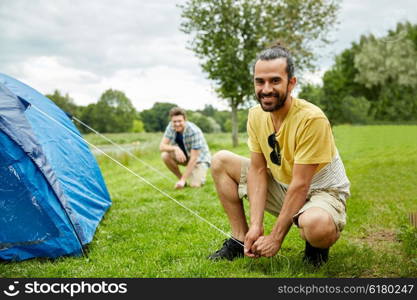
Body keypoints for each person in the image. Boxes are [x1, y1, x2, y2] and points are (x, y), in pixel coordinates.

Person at [208, 44, 350, 266]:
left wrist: (275, 238)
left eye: (275, 81)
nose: (266, 89)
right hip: (285, 187)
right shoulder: (256, 115)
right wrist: (256, 225)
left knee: (316, 225)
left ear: (291, 83)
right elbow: (257, 169)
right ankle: (240, 239)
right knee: (220, 161)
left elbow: (301, 185)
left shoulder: (312, 119)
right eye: (260, 81)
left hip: (321, 192)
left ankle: (316, 246)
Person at [160, 107, 211, 189]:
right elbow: (162, 146)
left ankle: (186, 179)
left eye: (179, 121)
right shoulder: (170, 127)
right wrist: (175, 148)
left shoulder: (194, 131)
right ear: (171, 121)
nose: (177, 124)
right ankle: (181, 180)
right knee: (165, 155)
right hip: (185, 156)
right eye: (174, 121)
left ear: (185, 120)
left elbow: (194, 158)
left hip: (200, 159)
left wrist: (184, 179)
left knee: (194, 185)